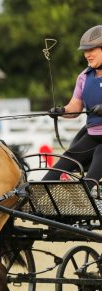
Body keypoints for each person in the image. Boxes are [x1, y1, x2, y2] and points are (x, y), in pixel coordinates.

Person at [43, 25, 102, 192]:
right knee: (66, 160)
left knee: (100, 153)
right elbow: (75, 108)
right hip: (93, 135)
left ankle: (84, 196)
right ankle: (31, 199)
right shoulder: (84, 76)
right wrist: (61, 111)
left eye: (92, 50)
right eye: (85, 51)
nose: (87, 55)